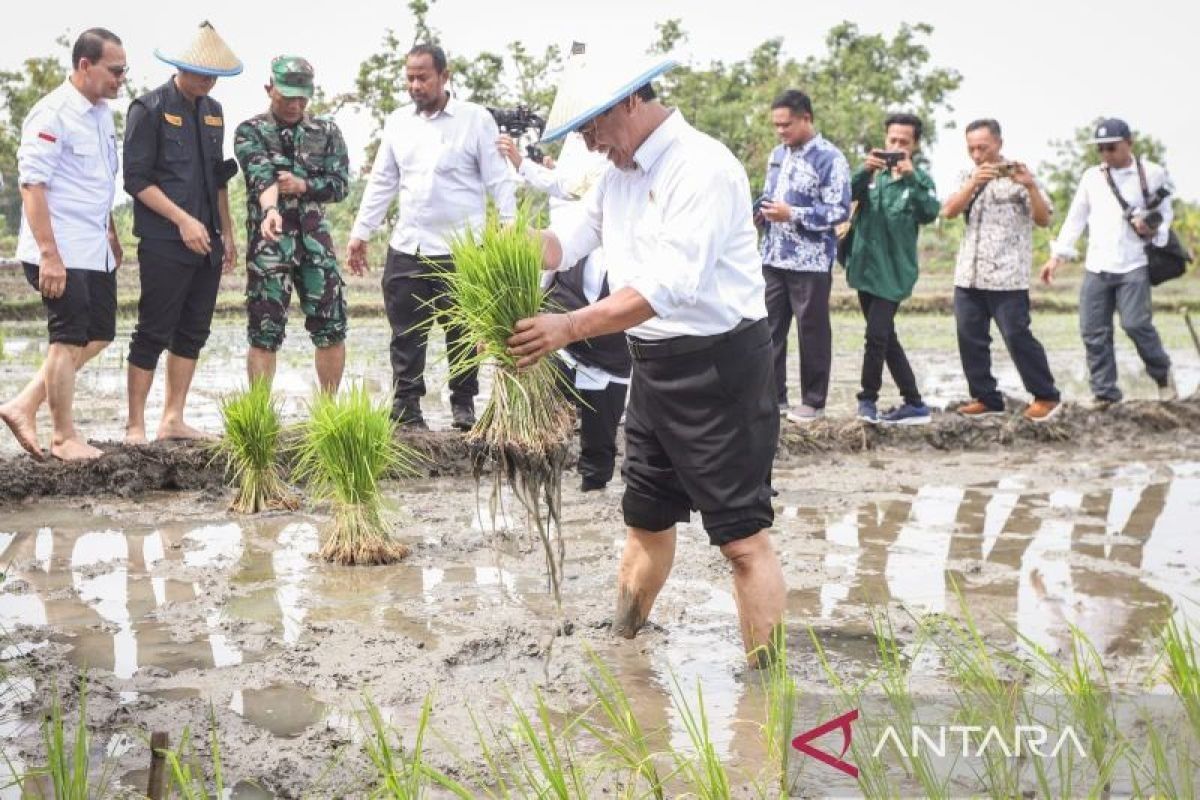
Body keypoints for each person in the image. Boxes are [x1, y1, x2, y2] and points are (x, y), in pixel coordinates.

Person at [505, 53, 786, 665]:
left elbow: (670, 287)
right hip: (652, 370)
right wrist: (500, 252)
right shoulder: (618, 172)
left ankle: (769, 689)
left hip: (721, 370)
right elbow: (565, 242)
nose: (589, 143)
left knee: (740, 540)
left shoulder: (702, 167)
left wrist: (569, 326)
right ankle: (624, 644)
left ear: (630, 101)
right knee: (646, 523)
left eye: (592, 128)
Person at [347, 43, 516, 430]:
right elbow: (383, 181)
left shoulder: (475, 120)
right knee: (406, 332)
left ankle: (463, 405)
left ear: (444, 75)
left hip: (463, 250)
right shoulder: (398, 122)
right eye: (409, 77)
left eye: (423, 77)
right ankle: (406, 408)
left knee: (462, 331)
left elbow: (498, 178)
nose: (415, 85)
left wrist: (508, 224)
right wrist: (361, 232)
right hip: (409, 244)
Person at [0, 29, 126, 461]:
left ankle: (22, 405)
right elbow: (33, 185)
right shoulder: (51, 113)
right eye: (115, 70)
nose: (121, 79)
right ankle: (63, 436)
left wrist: (111, 231)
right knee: (68, 338)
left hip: (94, 247)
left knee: (100, 334)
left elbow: (98, 181)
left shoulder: (102, 112)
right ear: (85, 66)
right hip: (60, 250)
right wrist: (50, 254)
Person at [122, 21, 241, 443]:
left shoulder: (213, 112)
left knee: (193, 330)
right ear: (180, 67)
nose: (209, 82)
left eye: (214, 76)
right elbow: (135, 179)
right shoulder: (148, 108)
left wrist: (227, 231)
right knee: (153, 329)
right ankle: (136, 424)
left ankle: (173, 418)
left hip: (206, 240)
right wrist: (182, 219)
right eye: (202, 73)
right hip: (164, 241)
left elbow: (219, 176)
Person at [498, 129, 630, 491]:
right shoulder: (573, 236)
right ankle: (539, 475)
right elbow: (550, 260)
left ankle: (593, 489)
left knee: (599, 450)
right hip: (564, 354)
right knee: (540, 415)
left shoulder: (627, 254)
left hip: (610, 361)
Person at [234, 56, 350, 393]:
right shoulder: (250, 132)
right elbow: (261, 177)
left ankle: (328, 411)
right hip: (271, 247)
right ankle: (259, 414)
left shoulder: (327, 132)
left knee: (331, 327)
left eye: (301, 98)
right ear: (269, 89)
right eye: (287, 97)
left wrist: (304, 185)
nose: (295, 105)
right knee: (264, 331)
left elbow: (340, 184)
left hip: (316, 245)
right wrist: (272, 210)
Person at [1041, 118, 1178, 403]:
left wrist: (1153, 229)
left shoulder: (1152, 173)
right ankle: (1105, 393)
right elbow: (1076, 217)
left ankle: (1162, 374)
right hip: (1097, 264)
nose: (1106, 154)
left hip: (1134, 263)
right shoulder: (1092, 177)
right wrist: (1058, 256)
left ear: (1129, 143)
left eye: (1111, 148)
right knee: (1093, 331)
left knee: (1135, 324)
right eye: (1100, 149)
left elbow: (1166, 214)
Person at [941, 119, 1061, 422]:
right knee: (970, 336)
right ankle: (985, 397)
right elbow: (949, 211)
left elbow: (1044, 218)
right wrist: (974, 182)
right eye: (971, 148)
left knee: (1016, 335)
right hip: (968, 273)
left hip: (1007, 275)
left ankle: (1046, 395)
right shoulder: (965, 175)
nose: (977, 154)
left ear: (999, 144)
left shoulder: (1019, 176)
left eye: (983, 147)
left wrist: (1029, 185)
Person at [757, 89, 851, 423]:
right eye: (777, 126)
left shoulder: (830, 159)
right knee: (768, 330)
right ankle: (774, 398)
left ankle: (813, 401)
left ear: (806, 118)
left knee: (811, 332)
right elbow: (771, 197)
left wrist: (792, 214)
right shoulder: (777, 154)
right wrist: (761, 212)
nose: (781, 131)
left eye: (786, 125)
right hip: (773, 257)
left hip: (809, 262)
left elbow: (838, 212)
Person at [844, 113, 941, 425]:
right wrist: (864, 171)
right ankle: (913, 402)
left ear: (914, 146)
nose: (896, 147)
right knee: (886, 338)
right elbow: (842, 197)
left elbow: (929, 213)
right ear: (884, 140)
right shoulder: (872, 177)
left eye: (904, 142)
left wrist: (911, 178)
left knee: (875, 336)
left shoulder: (921, 181)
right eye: (892, 141)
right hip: (864, 270)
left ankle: (867, 400)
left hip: (894, 275)